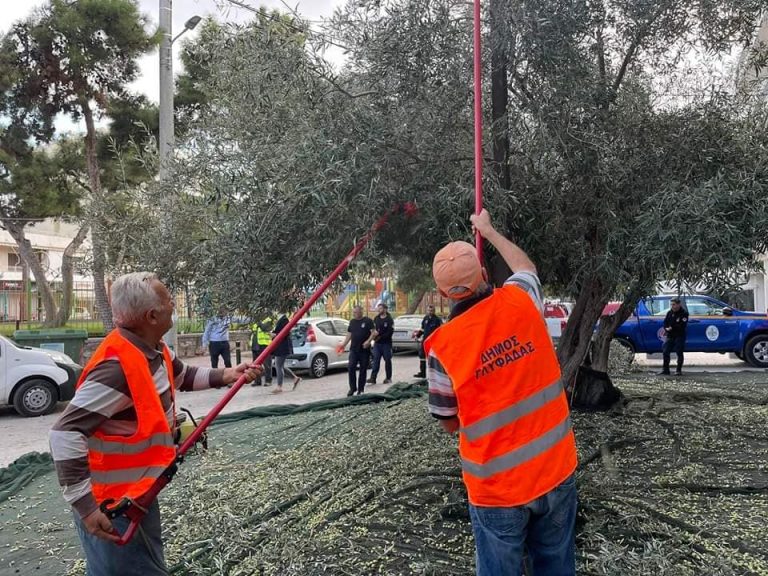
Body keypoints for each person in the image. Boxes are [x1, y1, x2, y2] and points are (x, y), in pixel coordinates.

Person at [49, 272, 262, 576]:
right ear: (151, 315)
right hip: (110, 504)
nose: (173, 303)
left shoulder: (153, 348)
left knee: (145, 562)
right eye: (168, 299)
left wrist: (228, 375)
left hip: (140, 491)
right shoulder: (116, 369)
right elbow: (64, 433)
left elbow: (182, 375)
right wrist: (85, 507)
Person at [425, 209, 578, 576]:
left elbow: (448, 422)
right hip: (555, 473)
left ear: (443, 294)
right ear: (482, 275)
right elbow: (525, 267)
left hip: (497, 492)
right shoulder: (521, 301)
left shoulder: (440, 348)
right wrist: (488, 231)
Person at [337, 305, 376, 396]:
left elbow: (373, 333)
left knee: (363, 369)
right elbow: (349, 334)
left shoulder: (368, 321)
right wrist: (343, 344)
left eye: (356, 312)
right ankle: (352, 388)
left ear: (361, 312)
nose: (354, 314)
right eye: (353, 312)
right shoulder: (352, 322)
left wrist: (368, 341)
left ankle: (361, 389)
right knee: (351, 367)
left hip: (364, 350)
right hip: (354, 349)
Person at [270, 312, 301, 393]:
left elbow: (284, 333)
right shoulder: (281, 319)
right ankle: (295, 378)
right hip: (280, 346)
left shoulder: (284, 320)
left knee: (278, 365)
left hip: (283, 346)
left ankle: (279, 386)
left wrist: (274, 335)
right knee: (279, 365)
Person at [660, 297, 688, 376]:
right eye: (671, 304)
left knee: (679, 352)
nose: (672, 306)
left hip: (679, 335)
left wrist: (672, 327)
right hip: (670, 335)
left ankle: (678, 370)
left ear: (679, 304)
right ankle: (665, 370)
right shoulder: (669, 312)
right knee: (665, 351)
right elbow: (665, 322)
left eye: (674, 304)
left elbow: (682, 325)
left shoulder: (684, 313)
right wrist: (666, 328)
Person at [367, 302, 394, 385]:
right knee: (376, 360)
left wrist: (381, 337)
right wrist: (374, 337)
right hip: (377, 344)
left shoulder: (389, 319)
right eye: (378, 308)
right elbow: (373, 330)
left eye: (381, 308)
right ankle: (373, 378)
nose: (379, 310)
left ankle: (388, 377)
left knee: (387, 360)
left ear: (385, 309)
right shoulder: (376, 318)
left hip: (386, 343)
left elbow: (390, 331)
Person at [412, 304, 442, 378]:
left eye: (431, 311)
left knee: (433, 358)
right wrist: (417, 336)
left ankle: (434, 375)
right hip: (425, 341)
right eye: (429, 310)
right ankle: (422, 373)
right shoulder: (425, 318)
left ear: (434, 311)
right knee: (422, 356)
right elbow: (422, 329)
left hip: (433, 342)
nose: (430, 312)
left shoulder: (437, 320)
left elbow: (441, 331)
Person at [250, 314, 275, 386]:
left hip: (265, 345)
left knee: (267, 364)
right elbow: (253, 332)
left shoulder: (269, 320)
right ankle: (257, 381)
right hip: (255, 345)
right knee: (255, 365)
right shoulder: (255, 321)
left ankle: (268, 381)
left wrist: (259, 322)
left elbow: (264, 328)